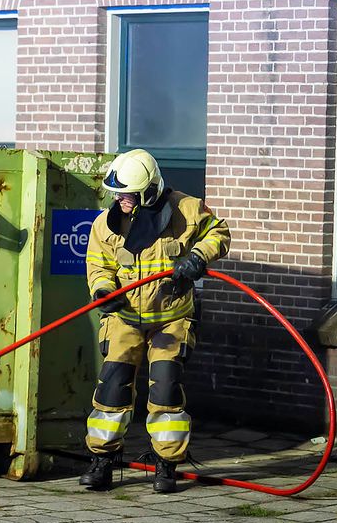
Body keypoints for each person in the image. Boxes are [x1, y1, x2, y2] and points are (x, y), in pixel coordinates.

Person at [79, 149, 230, 493]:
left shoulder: (187, 210)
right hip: (125, 318)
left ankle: (167, 464)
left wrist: (197, 257)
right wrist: (103, 292)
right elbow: (98, 265)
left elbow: (219, 233)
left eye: (129, 195)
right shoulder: (106, 223)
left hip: (171, 318)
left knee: (165, 391)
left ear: (149, 190)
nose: (121, 200)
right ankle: (102, 461)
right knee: (112, 391)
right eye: (117, 194)